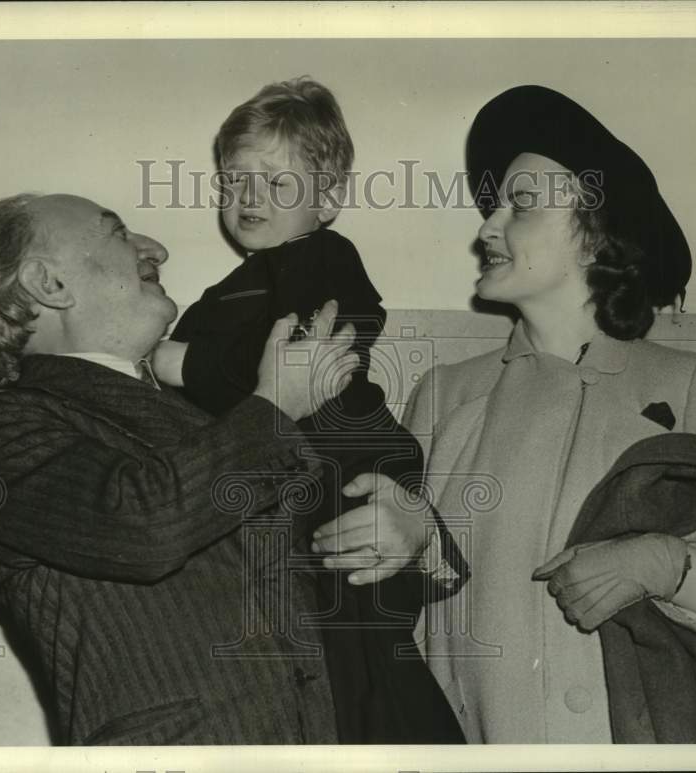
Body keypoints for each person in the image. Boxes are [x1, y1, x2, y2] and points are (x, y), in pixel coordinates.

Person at [312, 85, 696, 743]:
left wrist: (665, 564)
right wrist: (412, 546)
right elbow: (392, 627)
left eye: (519, 205)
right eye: (493, 208)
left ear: (597, 233)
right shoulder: (443, 395)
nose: (486, 228)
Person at [0, 192, 364, 745]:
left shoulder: (220, 419)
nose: (155, 248)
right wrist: (275, 406)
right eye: (117, 232)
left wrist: (413, 538)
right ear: (50, 284)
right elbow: (143, 526)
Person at [150, 77, 465, 743]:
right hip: (288, 495)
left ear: (328, 200)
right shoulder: (220, 294)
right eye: (234, 181)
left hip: (345, 466)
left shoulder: (324, 256)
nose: (247, 197)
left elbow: (310, 350)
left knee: (363, 666)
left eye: (275, 182)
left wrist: (186, 364)